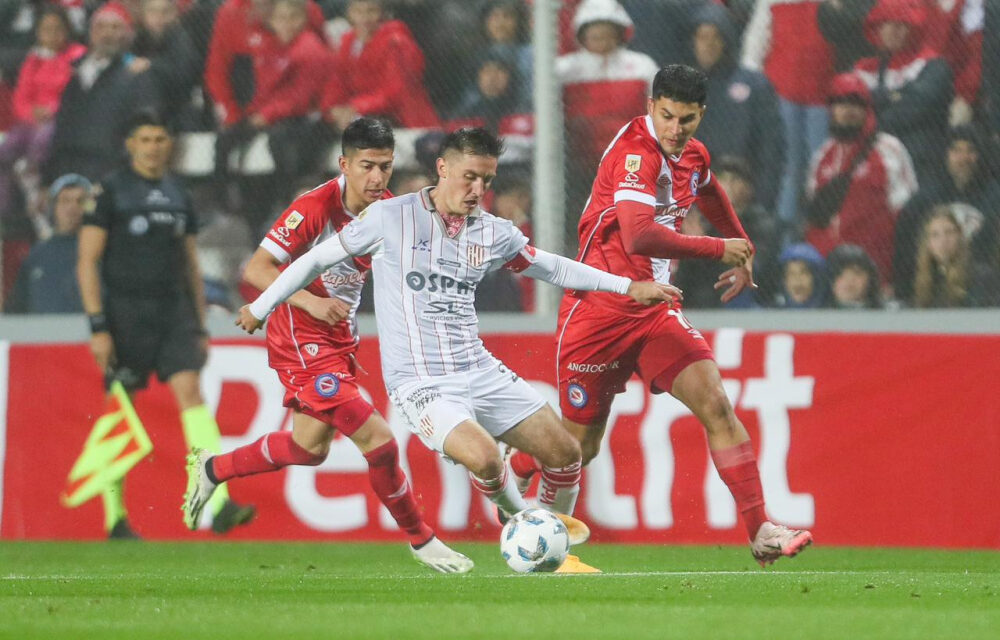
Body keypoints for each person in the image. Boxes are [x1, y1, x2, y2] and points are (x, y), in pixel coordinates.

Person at [236, 127, 680, 573]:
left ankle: (553, 551)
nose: (478, 190)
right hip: (421, 382)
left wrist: (629, 287)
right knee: (485, 457)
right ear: (442, 168)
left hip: (478, 368)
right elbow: (313, 259)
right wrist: (261, 305)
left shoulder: (493, 232)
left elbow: (552, 267)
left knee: (567, 456)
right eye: (470, 177)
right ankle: (523, 522)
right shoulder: (390, 217)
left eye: (487, 180)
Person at [510, 65, 813, 567]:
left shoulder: (692, 153)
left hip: (654, 310)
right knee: (579, 449)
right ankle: (524, 458)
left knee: (716, 402)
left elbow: (710, 188)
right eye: (667, 116)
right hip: (597, 312)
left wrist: (743, 248)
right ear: (651, 107)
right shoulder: (635, 154)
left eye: (687, 119)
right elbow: (639, 235)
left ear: (702, 115)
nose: (676, 129)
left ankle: (760, 529)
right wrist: (720, 247)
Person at [183, 118, 472, 574]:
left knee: (309, 448)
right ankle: (421, 539)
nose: (377, 178)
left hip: (338, 336)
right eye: (367, 166)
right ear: (344, 164)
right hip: (298, 332)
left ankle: (213, 469)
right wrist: (310, 304)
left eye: (385, 167)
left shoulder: (389, 211)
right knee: (378, 440)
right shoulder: (314, 206)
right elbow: (256, 270)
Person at [77, 111, 255, 539]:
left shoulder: (179, 192)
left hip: (173, 312)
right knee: (122, 410)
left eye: (160, 138)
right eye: (146, 139)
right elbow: (87, 261)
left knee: (191, 393)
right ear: (131, 145)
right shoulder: (111, 192)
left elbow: (190, 263)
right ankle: (115, 518)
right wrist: (99, 325)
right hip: (125, 316)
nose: (154, 146)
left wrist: (198, 323)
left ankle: (219, 502)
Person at [802, 73, 918, 283]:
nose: (847, 110)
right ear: (831, 110)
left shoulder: (889, 149)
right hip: (828, 278)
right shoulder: (821, 156)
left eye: (855, 103)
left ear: (867, 109)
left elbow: (907, 214)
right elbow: (814, 220)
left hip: (875, 273)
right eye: (840, 103)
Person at [43, 2, 156, 184]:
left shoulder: (136, 75)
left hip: (109, 169)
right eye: (100, 26)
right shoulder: (72, 71)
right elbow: (60, 127)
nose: (107, 34)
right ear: (90, 32)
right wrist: (46, 180)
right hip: (66, 165)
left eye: (115, 27)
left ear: (128, 34)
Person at [687, 4, 784, 210]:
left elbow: (771, 149)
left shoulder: (754, 85)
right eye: (702, 37)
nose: (708, 45)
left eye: (715, 37)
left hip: (745, 195)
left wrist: (761, 200)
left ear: (727, 40)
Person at [0, 5, 84, 229]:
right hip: (30, 120)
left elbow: (72, 91)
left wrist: (51, 110)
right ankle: (4, 209)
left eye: (58, 29)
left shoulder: (76, 56)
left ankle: (37, 194)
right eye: (46, 29)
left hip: (60, 121)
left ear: (67, 30)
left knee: (42, 140)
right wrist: (31, 112)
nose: (52, 35)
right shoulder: (33, 58)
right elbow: (21, 96)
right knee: (4, 151)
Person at [852, 0, 953, 185]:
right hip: (873, 159)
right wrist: (895, 96)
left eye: (900, 25)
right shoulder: (865, 67)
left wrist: (877, 102)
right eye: (886, 24)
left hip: (918, 159)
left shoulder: (933, 65)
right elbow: (852, 107)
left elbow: (914, 110)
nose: (892, 31)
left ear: (913, 28)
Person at [320, 0, 440, 131]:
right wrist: (334, 107)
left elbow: (395, 93)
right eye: (358, 11)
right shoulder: (349, 42)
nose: (364, 18)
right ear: (349, 14)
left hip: (400, 117)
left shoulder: (396, 42)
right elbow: (338, 81)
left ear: (382, 14)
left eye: (371, 11)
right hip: (363, 111)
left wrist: (356, 107)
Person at [5, 173, 90, 314]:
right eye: (64, 201)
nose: (72, 208)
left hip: (90, 334)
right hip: (43, 334)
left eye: (80, 201)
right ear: (53, 207)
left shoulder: (103, 250)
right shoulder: (37, 254)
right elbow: (18, 306)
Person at [908, 206, 1000, 308]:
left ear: (960, 237)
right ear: (928, 244)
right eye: (935, 235)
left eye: (949, 232)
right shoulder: (924, 280)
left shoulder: (981, 276)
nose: (943, 240)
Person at [825, 243, 883, 308]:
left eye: (857, 273)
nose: (849, 280)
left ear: (870, 278)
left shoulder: (888, 313)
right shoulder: (816, 312)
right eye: (840, 273)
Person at [775, 242, 828, 308]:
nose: (797, 279)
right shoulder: (771, 312)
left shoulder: (829, 311)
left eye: (804, 273)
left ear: (815, 278)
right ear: (784, 281)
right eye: (791, 273)